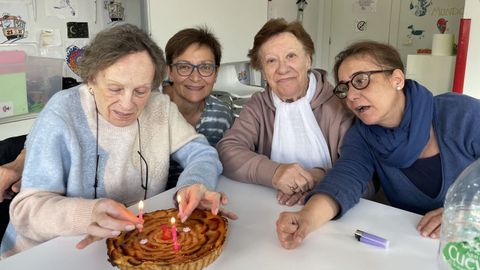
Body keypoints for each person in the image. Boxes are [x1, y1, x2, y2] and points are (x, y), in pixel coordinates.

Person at [0, 24, 234, 258]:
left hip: (127, 246)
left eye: (141, 91)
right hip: (49, 254)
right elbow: (26, 210)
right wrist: (89, 213)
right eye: (115, 89)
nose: (127, 104)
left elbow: (202, 154)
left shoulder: (160, 107)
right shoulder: (62, 112)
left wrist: (193, 184)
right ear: (91, 79)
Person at [276, 40, 480, 249]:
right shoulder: (362, 136)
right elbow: (344, 180)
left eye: (361, 80)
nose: (352, 96)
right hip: (414, 246)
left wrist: (466, 214)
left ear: (397, 79)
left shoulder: (460, 114)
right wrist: (305, 219)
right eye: (345, 88)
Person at [216, 18, 356, 206]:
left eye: (291, 56)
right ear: (263, 71)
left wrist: (319, 178)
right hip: (272, 206)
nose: (282, 69)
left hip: (334, 208)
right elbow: (227, 151)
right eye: (271, 61)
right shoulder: (258, 105)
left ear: (308, 60)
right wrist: (275, 172)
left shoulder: (341, 104)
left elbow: (365, 176)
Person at [162, 27, 234, 189]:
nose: (195, 77)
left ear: (216, 73)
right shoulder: (151, 109)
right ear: (170, 72)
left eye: (206, 67)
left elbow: (221, 167)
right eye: (184, 67)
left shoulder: (221, 115)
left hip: (201, 198)